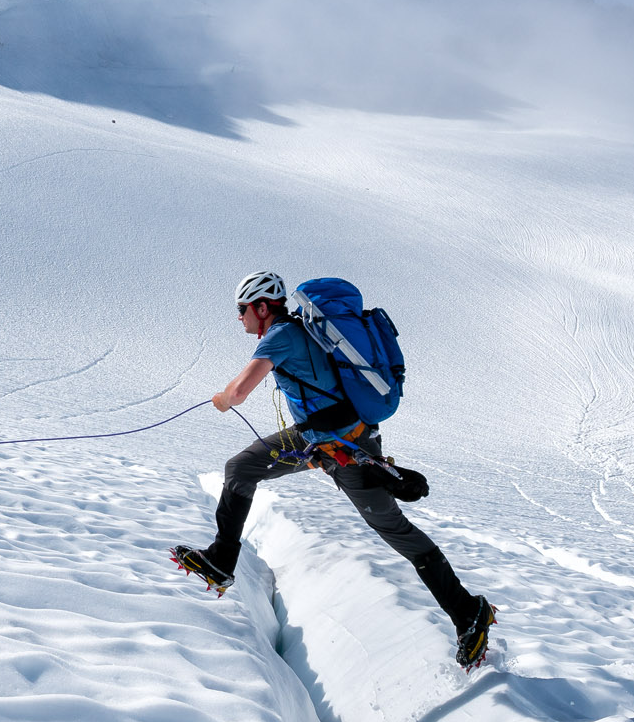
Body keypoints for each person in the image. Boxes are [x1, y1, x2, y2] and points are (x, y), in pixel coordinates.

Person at [174, 270, 496, 667]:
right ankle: (221, 561)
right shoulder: (297, 331)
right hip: (315, 439)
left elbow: (239, 392)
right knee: (241, 467)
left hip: (345, 444)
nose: (239, 317)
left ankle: (468, 611)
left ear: (261, 307)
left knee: (393, 527)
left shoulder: (281, 335)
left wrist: (223, 399)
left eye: (243, 309)